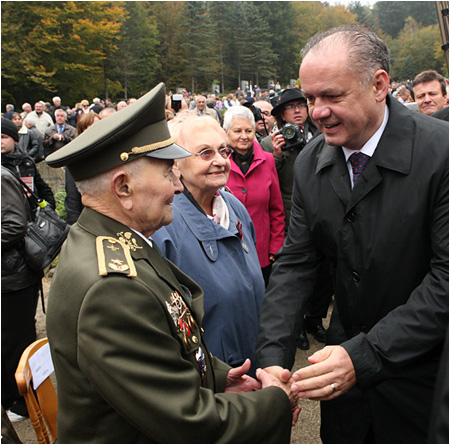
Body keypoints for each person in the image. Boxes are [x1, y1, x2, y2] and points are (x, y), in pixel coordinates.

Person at [45, 83, 298, 443]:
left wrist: (216, 375)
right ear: (123, 189)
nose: (177, 188)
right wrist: (275, 402)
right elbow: (187, 420)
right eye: (167, 173)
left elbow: (162, 344)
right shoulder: (112, 287)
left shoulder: (113, 240)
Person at [256, 24, 448, 444]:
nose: (316, 111)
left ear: (379, 85)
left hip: (423, 379)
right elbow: (296, 264)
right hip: (347, 394)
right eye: (309, 98)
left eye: (332, 96)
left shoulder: (442, 153)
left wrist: (365, 355)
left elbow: (446, 279)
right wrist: (272, 358)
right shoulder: (311, 162)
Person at [152, 115, 265, 377]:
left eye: (224, 151)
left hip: (252, 364)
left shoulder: (234, 207)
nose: (220, 160)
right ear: (175, 163)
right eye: (205, 153)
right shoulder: (163, 225)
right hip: (207, 380)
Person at [260, 88, 329, 350]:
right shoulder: (269, 143)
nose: (298, 110)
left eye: (302, 104)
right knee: (295, 275)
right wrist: (277, 156)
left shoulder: (325, 134)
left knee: (324, 274)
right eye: (291, 107)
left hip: (322, 212)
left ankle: (315, 319)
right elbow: (267, 184)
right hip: (290, 217)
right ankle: (297, 326)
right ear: (281, 114)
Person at [1, 119, 53, 422]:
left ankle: (23, 401)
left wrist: (44, 211)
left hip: (15, 274)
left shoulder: (8, 172)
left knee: (15, 339)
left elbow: (14, 226)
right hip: (8, 273)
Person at [224, 106, 285, 286]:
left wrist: (276, 246)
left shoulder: (268, 160)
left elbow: (276, 209)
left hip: (262, 252)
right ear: (226, 133)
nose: (244, 136)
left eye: (248, 130)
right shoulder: (219, 163)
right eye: (237, 131)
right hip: (229, 252)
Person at [63, 113, 100, 225]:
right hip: (88, 220)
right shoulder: (75, 160)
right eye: (90, 129)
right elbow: (72, 198)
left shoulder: (112, 154)